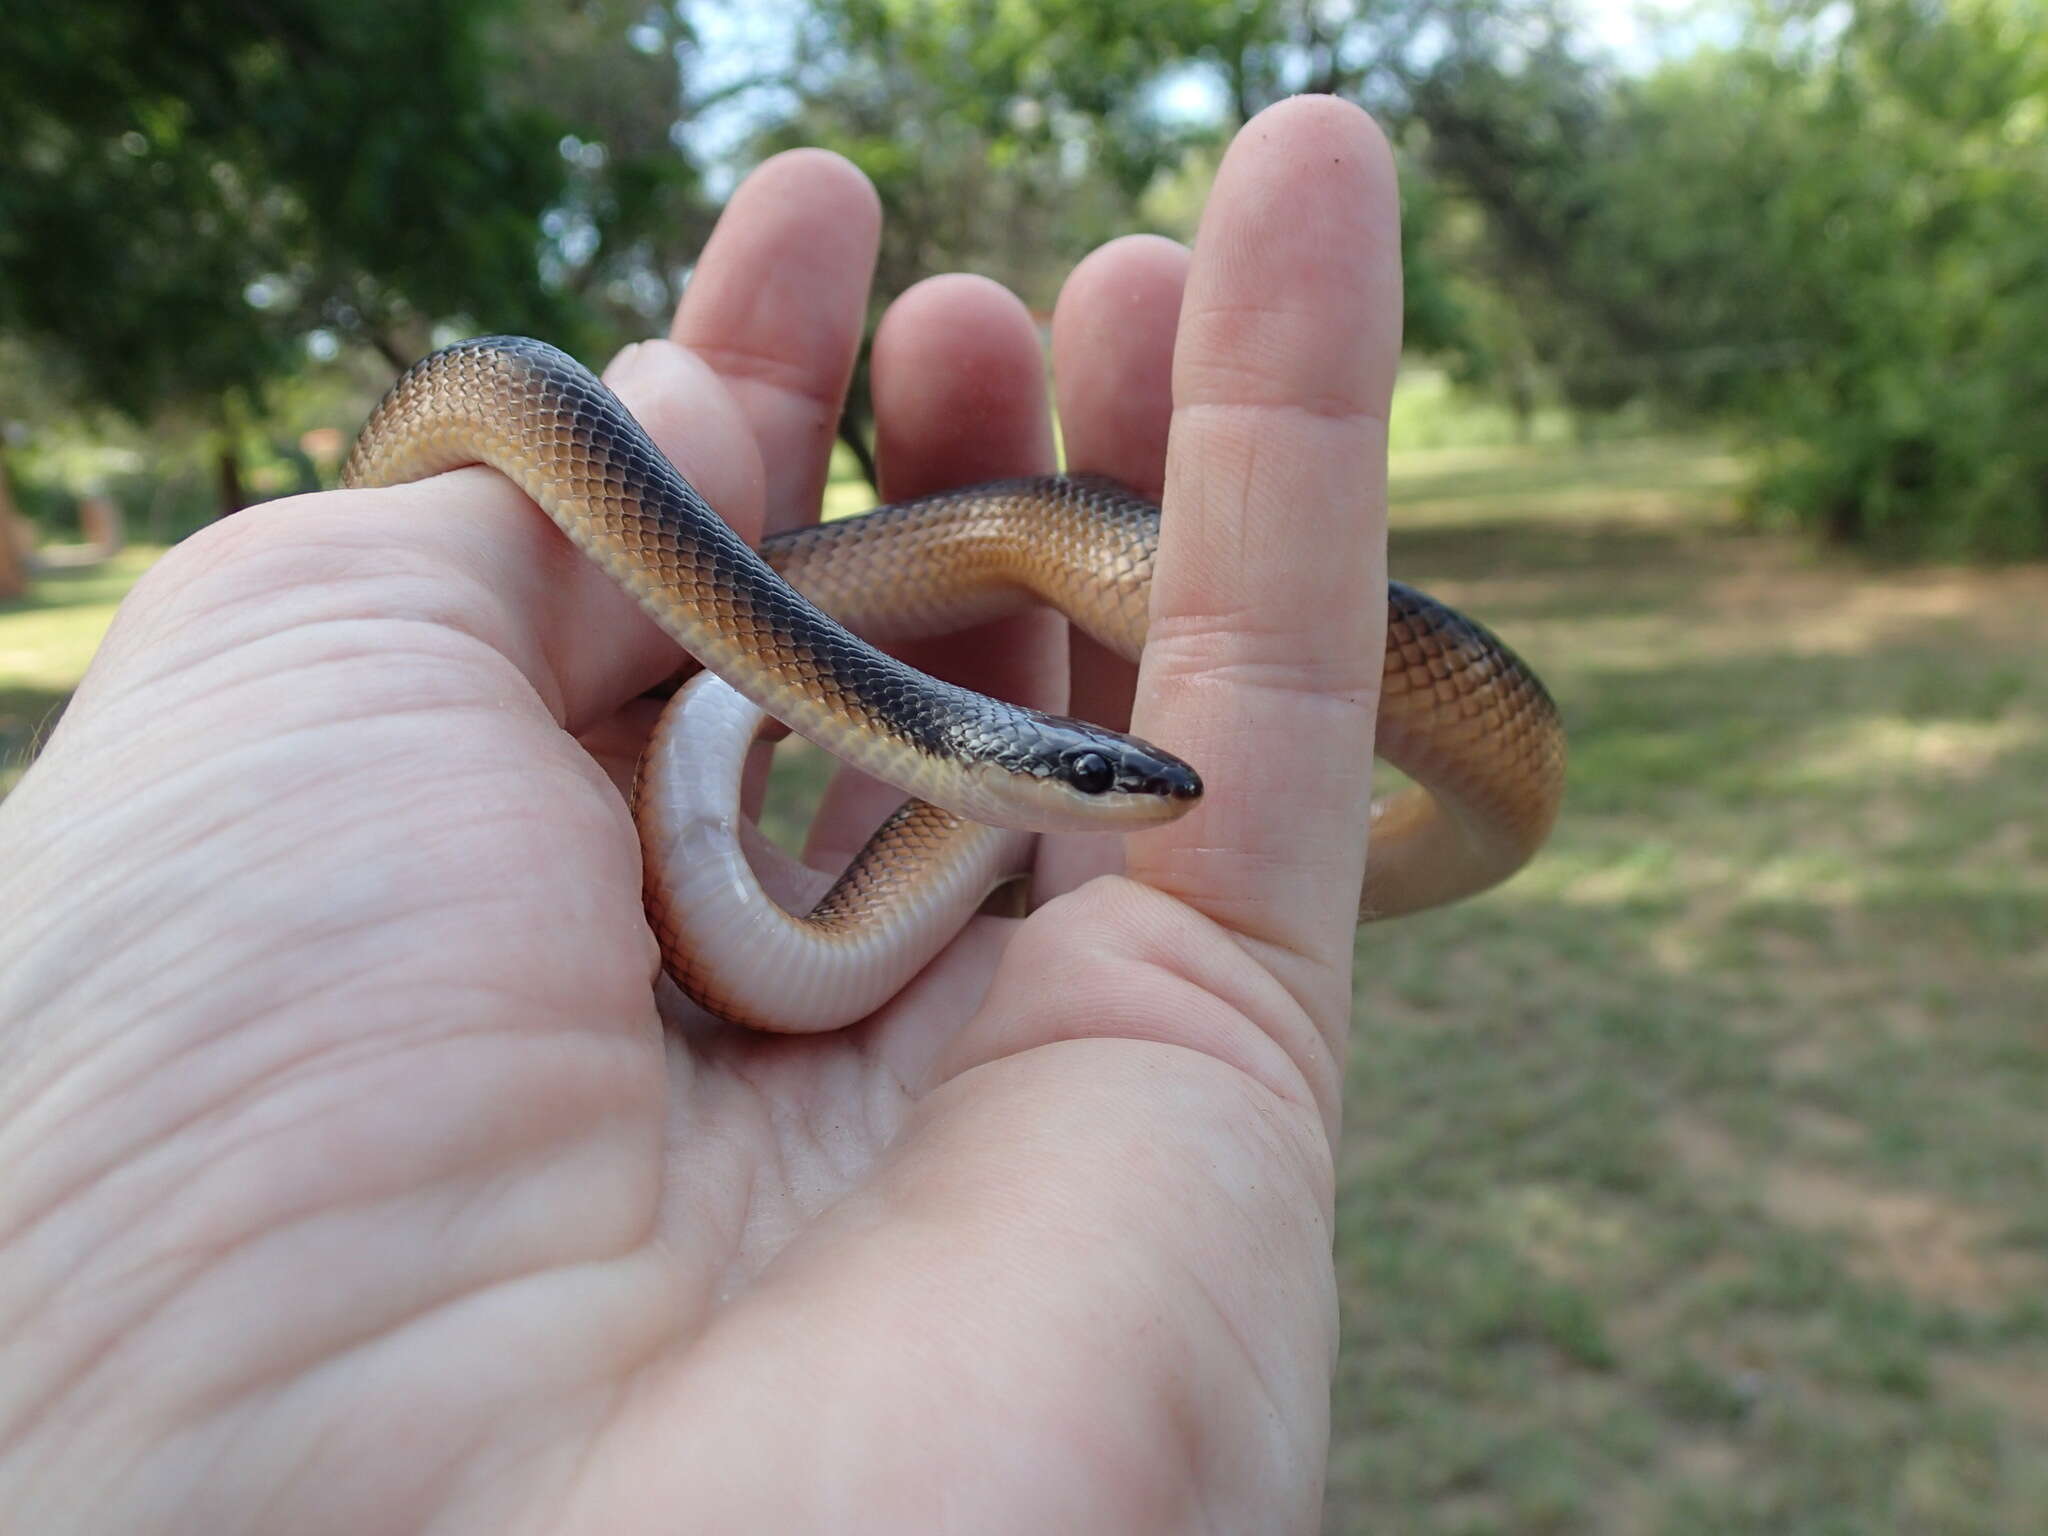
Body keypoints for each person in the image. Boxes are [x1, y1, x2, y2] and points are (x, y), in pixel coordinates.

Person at [0, 98, 1396, 1531]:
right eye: (1094, 774)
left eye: (1095, 772)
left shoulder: (907, 726)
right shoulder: (852, 685)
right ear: (1003, 760)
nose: (1128, 784)